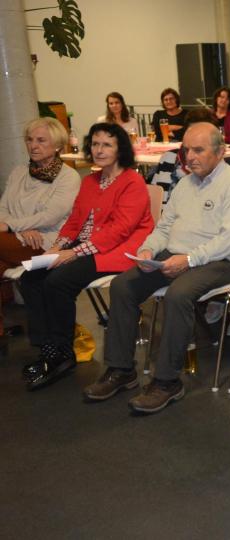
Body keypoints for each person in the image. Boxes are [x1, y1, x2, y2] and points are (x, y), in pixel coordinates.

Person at [81, 122, 230, 414]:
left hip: (224, 260)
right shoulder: (186, 184)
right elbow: (164, 227)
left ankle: (167, 381)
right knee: (122, 285)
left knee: (178, 294)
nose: (190, 156)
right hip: (177, 254)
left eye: (199, 150)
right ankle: (121, 369)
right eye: (187, 149)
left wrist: (189, 260)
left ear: (221, 152)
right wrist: (148, 249)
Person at [20, 122, 154, 390]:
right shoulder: (90, 180)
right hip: (85, 245)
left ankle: (62, 351)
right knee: (29, 277)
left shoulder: (132, 181)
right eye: (95, 143)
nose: (99, 149)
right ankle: (49, 349)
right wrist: (57, 247)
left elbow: (118, 231)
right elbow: (74, 221)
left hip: (118, 250)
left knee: (58, 282)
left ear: (120, 149)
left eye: (107, 144)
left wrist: (73, 253)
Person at [0, 118, 81, 335]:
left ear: (56, 145)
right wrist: (18, 229)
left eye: (41, 140)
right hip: (17, 239)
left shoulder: (68, 177)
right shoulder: (19, 172)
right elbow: (3, 208)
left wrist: (10, 226)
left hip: (47, 244)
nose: (33, 145)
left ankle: (53, 341)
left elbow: (50, 217)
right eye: (29, 139)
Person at [148, 108, 220, 205]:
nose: (195, 138)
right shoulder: (169, 157)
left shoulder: (216, 169)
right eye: (192, 132)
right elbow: (155, 200)